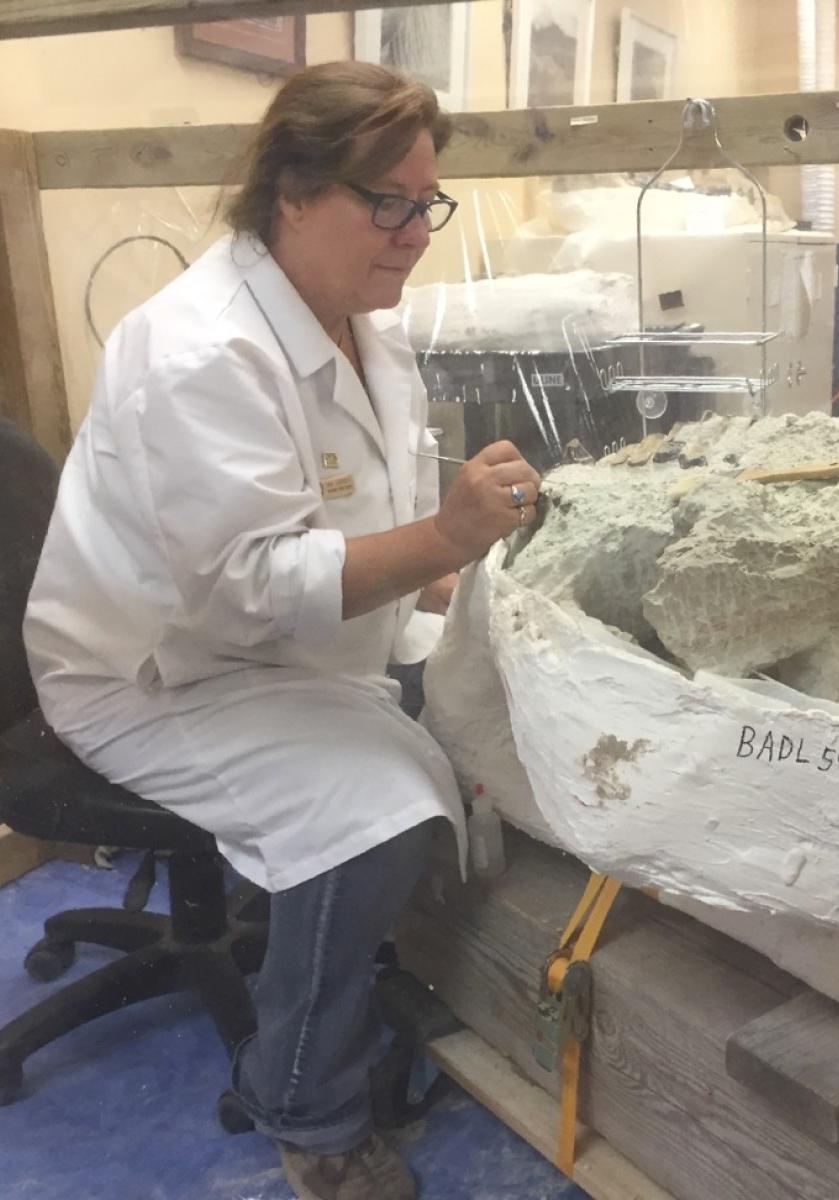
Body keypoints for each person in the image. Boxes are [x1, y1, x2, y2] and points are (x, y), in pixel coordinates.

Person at [23, 62, 540, 1200]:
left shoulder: (364, 326)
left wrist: (491, 588)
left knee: (471, 722)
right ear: (292, 193)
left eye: (427, 203)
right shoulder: (202, 349)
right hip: (151, 671)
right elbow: (250, 584)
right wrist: (447, 541)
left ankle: (351, 961)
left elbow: (364, 529)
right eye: (388, 202)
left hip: (282, 643)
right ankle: (304, 1098)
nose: (416, 232)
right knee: (377, 812)